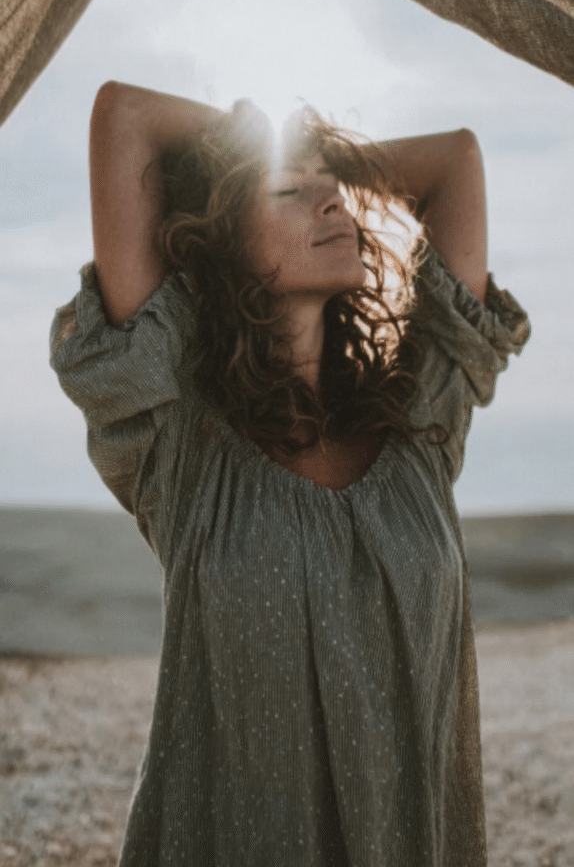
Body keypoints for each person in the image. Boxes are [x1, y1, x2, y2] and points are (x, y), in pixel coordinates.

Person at [49, 80, 530, 866]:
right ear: (224, 241)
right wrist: (247, 136)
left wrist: (314, 152)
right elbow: (124, 116)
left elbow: (456, 161)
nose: (334, 203)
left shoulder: (420, 424)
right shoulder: (178, 442)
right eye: (291, 192)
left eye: (334, 190)